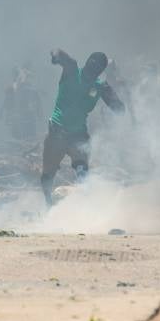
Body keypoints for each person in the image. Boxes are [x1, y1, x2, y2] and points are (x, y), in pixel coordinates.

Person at [40, 49, 125, 206]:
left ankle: (82, 205)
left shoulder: (100, 86)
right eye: (93, 64)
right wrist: (56, 55)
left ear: (99, 70)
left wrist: (115, 98)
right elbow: (62, 55)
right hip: (57, 132)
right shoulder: (73, 71)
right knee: (48, 175)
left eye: (97, 66)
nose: (93, 68)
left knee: (80, 168)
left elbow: (118, 107)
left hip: (75, 135)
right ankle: (49, 205)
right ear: (87, 63)